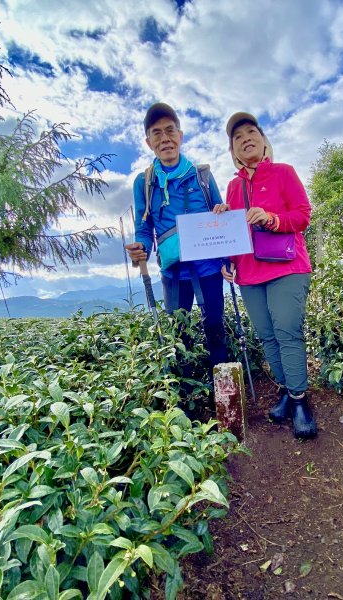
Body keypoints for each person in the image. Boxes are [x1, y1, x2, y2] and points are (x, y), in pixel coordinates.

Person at [221, 112, 317, 439]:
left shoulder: (283, 173)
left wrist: (271, 219)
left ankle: (300, 400)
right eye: (237, 136)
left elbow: (303, 215)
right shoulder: (233, 187)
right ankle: (285, 391)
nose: (245, 137)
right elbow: (233, 233)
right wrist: (228, 260)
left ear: (263, 141)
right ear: (233, 150)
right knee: (266, 335)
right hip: (249, 272)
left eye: (251, 132)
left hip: (287, 266)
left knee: (286, 329)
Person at [126, 102, 229, 372]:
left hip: (209, 268)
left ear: (180, 136)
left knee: (215, 328)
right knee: (176, 335)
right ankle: (182, 398)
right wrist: (141, 249)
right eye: (157, 133)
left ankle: (222, 391)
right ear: (149, 142)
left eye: (170, 131)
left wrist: (222, 212)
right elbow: (144, 227)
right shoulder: (143, 182)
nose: (165, 138)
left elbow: (221, 214)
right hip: (173, 272)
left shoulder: (202, 176)